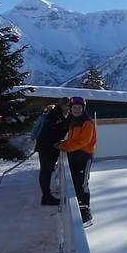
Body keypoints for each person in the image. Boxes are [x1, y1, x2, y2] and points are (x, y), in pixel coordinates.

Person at [56, 96, 97, 225]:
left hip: (84, 157)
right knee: (74, 182)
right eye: (74, 108)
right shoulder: (74, 121)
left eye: (79, 108)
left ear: (83, 108)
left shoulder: (87, 122)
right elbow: (72, 140)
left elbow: (83, 142)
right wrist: (63, 143)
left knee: (82, 183)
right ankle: (76, 210)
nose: (77, 110)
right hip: (74, 155)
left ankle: (86, 212)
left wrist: (64, 146)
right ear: (71, 108)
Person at [33, 97, 70, 205]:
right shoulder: (56, 114)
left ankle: (46, 196)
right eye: (68, 106)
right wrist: (69, 121)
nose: (69, 108)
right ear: (62, 105)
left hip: (48, 147)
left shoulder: (57, 113)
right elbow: (57, 129)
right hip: (47, 148)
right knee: (46, 171)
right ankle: (46, 197)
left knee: (46, 171)